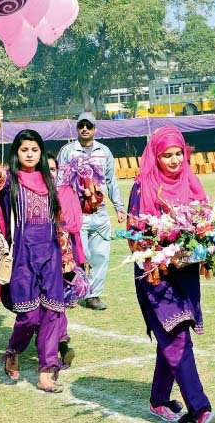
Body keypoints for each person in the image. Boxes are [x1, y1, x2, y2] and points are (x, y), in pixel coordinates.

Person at [127, 126, 215, 423]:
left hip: (187, 274)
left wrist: (202, 249)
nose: (175, 159)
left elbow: (205, 226)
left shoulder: (191, 182)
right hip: (156, 276)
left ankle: (158, 399)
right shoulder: (143, 187)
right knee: (177, 338)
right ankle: (200, 409)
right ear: (155, 156)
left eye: (179, 153)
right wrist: (164, 255)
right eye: (167, 155)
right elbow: (134, 236)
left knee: (173, 337)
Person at [0, 108, 75, 393]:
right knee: (29, 317)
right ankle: (13, 351)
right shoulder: (9, 180)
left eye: (35, 149)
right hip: (23, 255)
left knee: (52, 314)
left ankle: (47, 371)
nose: (30, 154)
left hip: (50, 254)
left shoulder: (49, 182)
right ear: (17, 152)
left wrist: (67, 258)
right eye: (24, 150)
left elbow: (58, 222)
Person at [57, 111, 125, 310]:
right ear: (77, 128)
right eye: (81, 126)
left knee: (101, 256)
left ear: (95, 128)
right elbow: (60, 181)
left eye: (88, 125)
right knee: (81, 254)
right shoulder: (68, 151)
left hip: (100, 212)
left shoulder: (104, 151)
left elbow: (112, 180)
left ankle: (93, 296)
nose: (85, 129)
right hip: (77, 213)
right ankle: (74, 291)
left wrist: (119, 207)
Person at [47, 153, 86, 373]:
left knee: (57, 304)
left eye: (54, 169)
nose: (51, 173)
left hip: (63, 258)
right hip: (39, 258)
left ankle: (59, 347)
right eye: (47, 169)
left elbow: (75, 226)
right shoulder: (33, 193)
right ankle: (59, 346)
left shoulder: (66, 192)